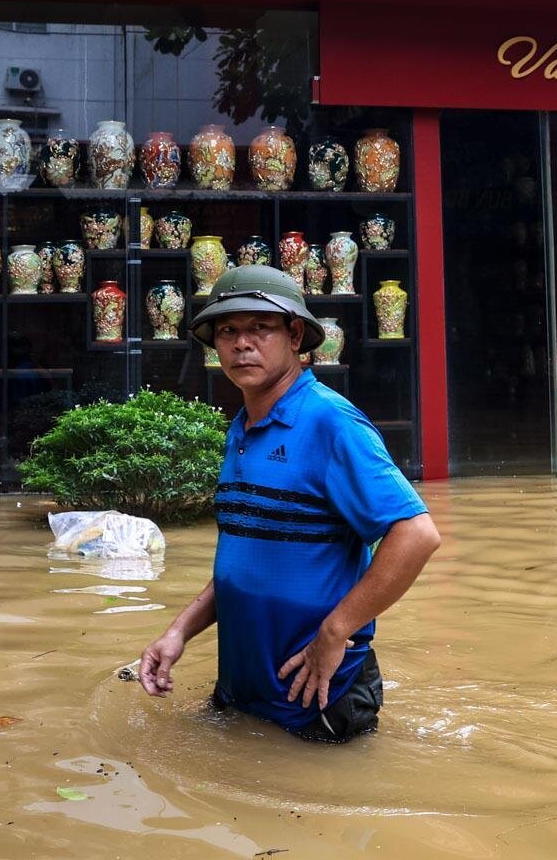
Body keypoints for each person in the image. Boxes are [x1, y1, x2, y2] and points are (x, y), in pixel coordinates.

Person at [135, 265, 440, 742]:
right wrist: (178, 633)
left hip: (318, 701)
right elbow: (250, 558)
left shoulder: (330, 422)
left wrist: (335, 632)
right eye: (228, 331)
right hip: (242, 691)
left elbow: (417, 534)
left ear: (295, 335)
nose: (241, 343)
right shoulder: (243, 426)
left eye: (260, 328)